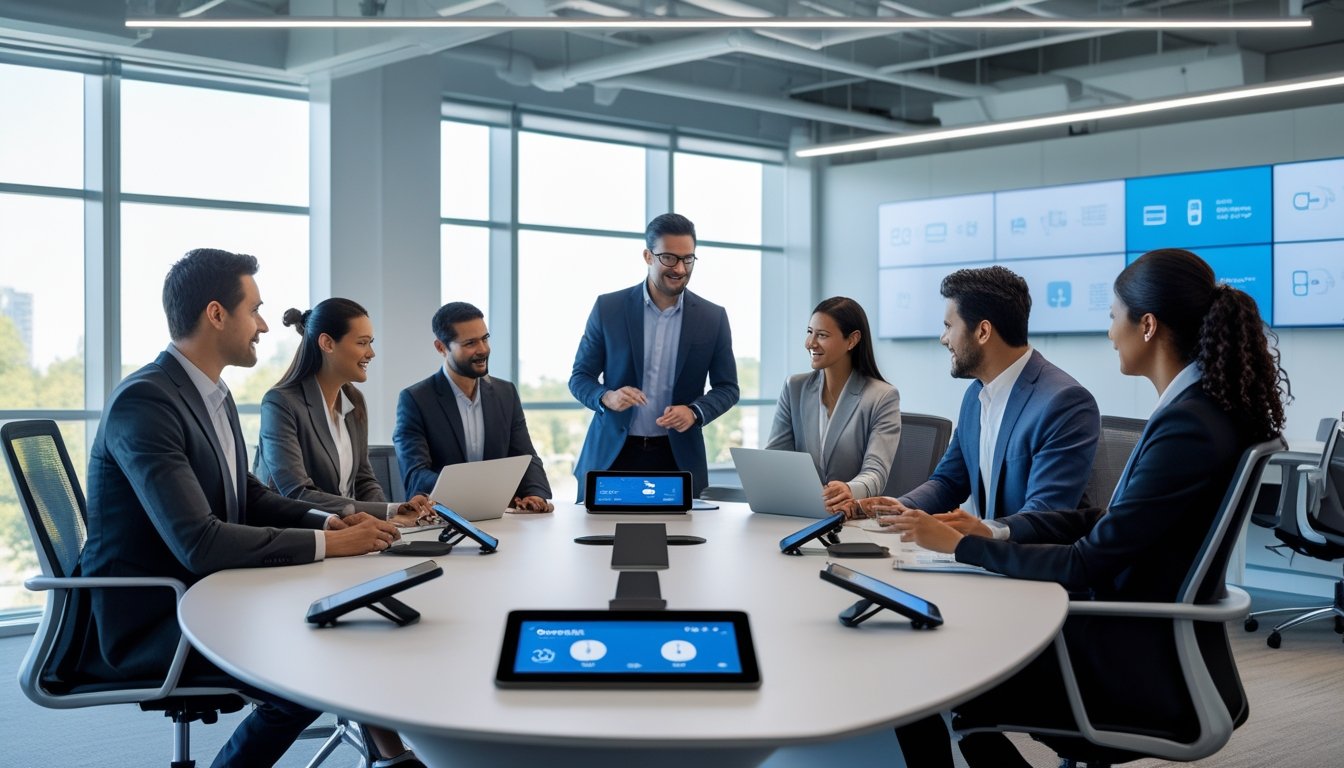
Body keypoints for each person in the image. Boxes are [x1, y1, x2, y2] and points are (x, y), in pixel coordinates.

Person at [881, 248, 1291, 767]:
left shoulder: (1189, 424)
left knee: (918, 673)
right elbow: (1108, 523)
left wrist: (965, 547)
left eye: (1112, 317)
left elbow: (1086, 560)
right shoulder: (1201, 412)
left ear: (1146, 325)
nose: (1108, 332)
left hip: (1122, 658)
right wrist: (995, 533)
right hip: (1135, 636)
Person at [74, 249, 402, 768]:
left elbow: (246, 494)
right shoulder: (147, 401)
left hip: (206, 591)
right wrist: (331, 545)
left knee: (339, 630)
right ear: (216, 314)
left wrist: (328, 520)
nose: (266, 325)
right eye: (255, 310)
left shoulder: (214, 394)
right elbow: (199, 542)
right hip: (155, 616)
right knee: (311, 667)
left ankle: (389, 755)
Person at [253, 298, 434, 767]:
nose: (372, 352)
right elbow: (296, 491)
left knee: (404, 610)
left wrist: (399, 510)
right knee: (367, 626)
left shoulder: (352, 400)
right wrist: (387, 509)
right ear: (327, 343)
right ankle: (391, 751)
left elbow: (363, 480)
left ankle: (391, 747)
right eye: (364, 342)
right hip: (294, 546)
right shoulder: (282, 403)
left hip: (349, 545)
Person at [859, 265, 1099, 522]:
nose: (943, 338)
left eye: (949, 326)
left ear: (983, 331)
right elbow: (949, 481)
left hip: (1032, 558)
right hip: (982, 556)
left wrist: (972, 534)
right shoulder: (976, 395)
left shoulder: (1063, 402)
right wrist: (899, 507)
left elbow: (1044, 514)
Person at [569, 212, 739, 501]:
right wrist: (606, 397)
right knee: (600, 544)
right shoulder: (608, 308)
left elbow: (728, 388)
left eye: (688, 259)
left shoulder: (713, 318)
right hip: (613, 455)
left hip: (677, 458)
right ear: (648, 256)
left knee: (680, 544)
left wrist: (695, 412)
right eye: (669, 258)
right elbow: (580, 378)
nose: (680, 269)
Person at [395, 301, 553, 512]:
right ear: (441, 347)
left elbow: (525, 455)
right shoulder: (415, 399)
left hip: (500, 517)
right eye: (470, 343)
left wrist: (535, 493)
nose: (483, 350)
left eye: (485, 339)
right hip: (443, 517)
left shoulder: (506, 393)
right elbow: (416, 473)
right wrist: (475, 493)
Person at [765, 296, 901, 516]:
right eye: (810, 332)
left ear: (852, 340)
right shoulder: (794, 388)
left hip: (853, 520)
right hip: (800, 514)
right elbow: (775, 460)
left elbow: (876, 473)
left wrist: (848, 489)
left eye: (822, 335)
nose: (810, 343)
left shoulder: (882, 396)